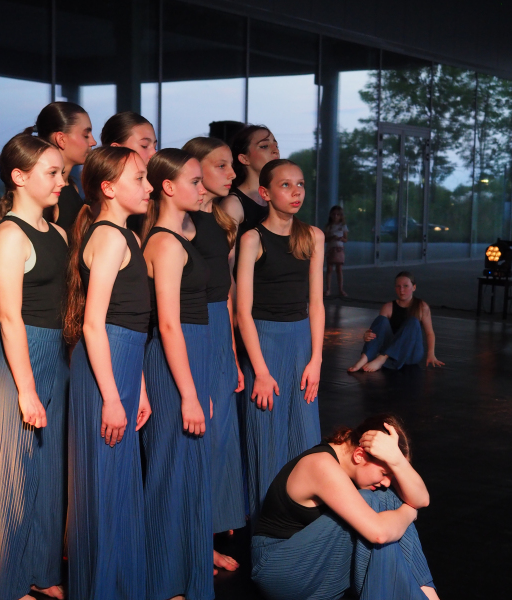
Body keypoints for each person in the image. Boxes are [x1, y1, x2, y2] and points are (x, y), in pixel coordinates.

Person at [0, 133, 69, 600]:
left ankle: (39, 571)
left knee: (47, 475)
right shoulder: (10, 234)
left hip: (55, 356)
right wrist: (26, 390)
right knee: (11, 476)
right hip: (16, 363)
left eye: (62, 172)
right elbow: (10, 318)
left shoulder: (59, 233)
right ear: (19, 176)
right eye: (52, 172)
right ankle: (5, 584)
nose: (62, 180)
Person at [64, 146, 153, 599]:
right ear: (109, 188)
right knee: (103, 486)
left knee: (117, 484)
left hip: (122, 363)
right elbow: (94, 324)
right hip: (106, 366)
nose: (149, 186)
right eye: (139, 178)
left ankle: (118, 586)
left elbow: (131, 321)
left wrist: (139, 387)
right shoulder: (112, 237)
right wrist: (114, 397)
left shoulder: (126, 235)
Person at [251, 415, 440, 600]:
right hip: (279, 569)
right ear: (359, 455)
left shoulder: (357, 460)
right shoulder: (320, 465)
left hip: (313, 567)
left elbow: (421, 499)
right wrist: (410, 511)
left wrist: (398, 462)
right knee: (374, 503)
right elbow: (379, 533)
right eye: (384, 473)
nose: (386, 482)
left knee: (390, 498)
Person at [236, 158, 325, 528]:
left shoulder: (313, 236)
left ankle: (302, 518)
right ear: (265, 193)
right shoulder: (252, 239)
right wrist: (259, 371)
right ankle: (266, 522)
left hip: (301, 342)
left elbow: (316, 304)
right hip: (264, 343)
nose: (295, 191)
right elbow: (242, 312)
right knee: (266, 434)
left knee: (304, 432)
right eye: (285, 185)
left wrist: (316, 359)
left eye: (300, 184)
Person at [141, 148, 213, 600]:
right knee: (170, 472)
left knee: (188, 473)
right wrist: (188, 394)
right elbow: (167, 325)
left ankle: (183, 577)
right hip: (174, 364)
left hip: (191, 358)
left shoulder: (179, 236)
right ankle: (162, 582)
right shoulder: (165, 243)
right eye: (195, 181)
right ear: (168, 187)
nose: (202, 189)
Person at [182, 137, 246, 570]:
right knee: (197, 438)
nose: (232, 173)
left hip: (220, 334)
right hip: (194, 332)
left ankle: (206, 531)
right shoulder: (181, 224)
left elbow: (225, 294)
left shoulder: (220, 223)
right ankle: (192, 544)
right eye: (221, 165)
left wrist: (234, 355)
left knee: (220, 437)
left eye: (230, 165)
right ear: (196, 169)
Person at [348, 271, 445, 373]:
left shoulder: (422, 306)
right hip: (391, 354)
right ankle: (364, 358)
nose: (401, 290)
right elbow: (379, 330)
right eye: (398, 286)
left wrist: (431, 354)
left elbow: (429, 333)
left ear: (414, 287)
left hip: (411, 354)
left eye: (406, 286)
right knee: (381, 320)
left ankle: (382, 359)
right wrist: (367, 335)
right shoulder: (388, 307)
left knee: (413, 321)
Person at [29, 101, 96, 231]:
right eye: (86, 135)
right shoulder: (45, 195)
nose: (93, 142)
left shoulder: (71, 186)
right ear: (61, 139)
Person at [220, 124, 280, 234]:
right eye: (264, 146)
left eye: (276, 146)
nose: (275, 150)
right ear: (244, 158)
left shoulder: (277, 199)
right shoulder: (233, 205)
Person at [324, 205, 349, 297]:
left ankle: (341, 289)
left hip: (339, 249)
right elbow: (325, 239)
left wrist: (341, 238)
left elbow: (346, 239)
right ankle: (328, 289)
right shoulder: (329, 226)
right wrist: (331, 238)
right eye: (334, 214)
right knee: (329, 269)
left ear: (341, 216)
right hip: (331, 249)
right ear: (330, 215)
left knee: (339, 269)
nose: (335, 216)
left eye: (338, 214)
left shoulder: (343, 226)